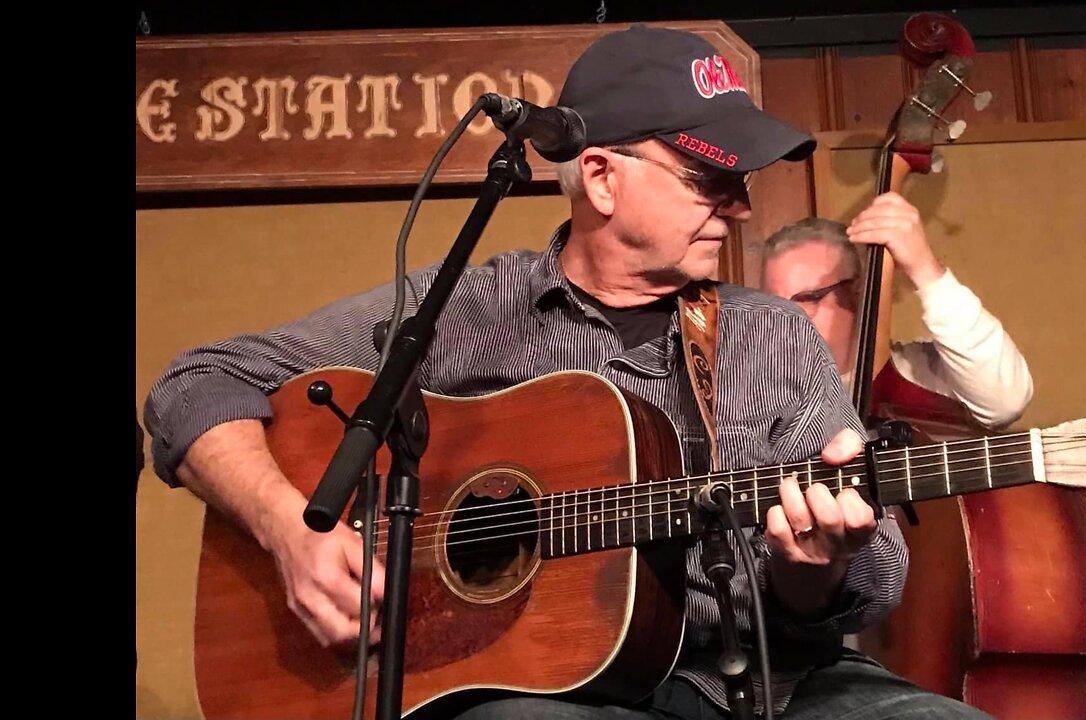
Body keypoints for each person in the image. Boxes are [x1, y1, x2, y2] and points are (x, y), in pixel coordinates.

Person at [144, 25, 993, 720]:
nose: (738, 206)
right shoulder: (468, 311)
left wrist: (812, 569)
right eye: (710, 177)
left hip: (770, 687)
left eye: (742, 183)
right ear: (600, 177)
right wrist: (292, 531)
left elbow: (868, 577)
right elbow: (197, 384)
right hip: (544, 692)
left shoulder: (770, 336)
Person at [760, 203, 1033, 431]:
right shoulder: (761, 402)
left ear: (858, 293)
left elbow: (1006, 402)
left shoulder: (921, 373)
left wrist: (924, 267)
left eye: (807, 299)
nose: (784, 320)